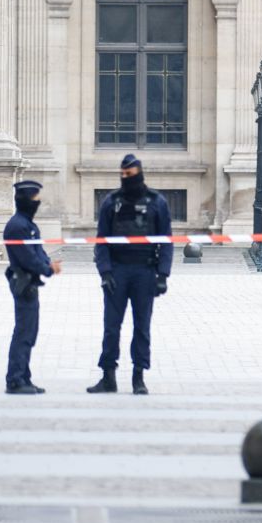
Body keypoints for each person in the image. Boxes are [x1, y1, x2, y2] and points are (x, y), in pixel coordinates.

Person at [87, 154, 172, 396]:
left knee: (142, 327)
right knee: (111, 327)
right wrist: (105, 272)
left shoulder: (157, 202)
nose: (127, 178)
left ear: (140, 173)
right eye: (124, 175)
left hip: (145, 271)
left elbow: (166, 241)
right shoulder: (111, 202)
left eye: (131, 174)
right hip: (117, 271)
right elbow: (101, 241)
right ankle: (108, 376)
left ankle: (139, 376)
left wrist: (163, 275)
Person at [4, 179, 60, 395]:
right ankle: (15, 379)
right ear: (26, 200)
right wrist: (48, 269)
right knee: (24, 332)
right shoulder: (18, 226)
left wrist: (47, 264)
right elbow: (28, 257)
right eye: (35, 198)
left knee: (30, 332)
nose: (38, 202)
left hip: (30, 282)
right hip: (23, 281)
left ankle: (24, 376)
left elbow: (39, 251)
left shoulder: (27, 224)